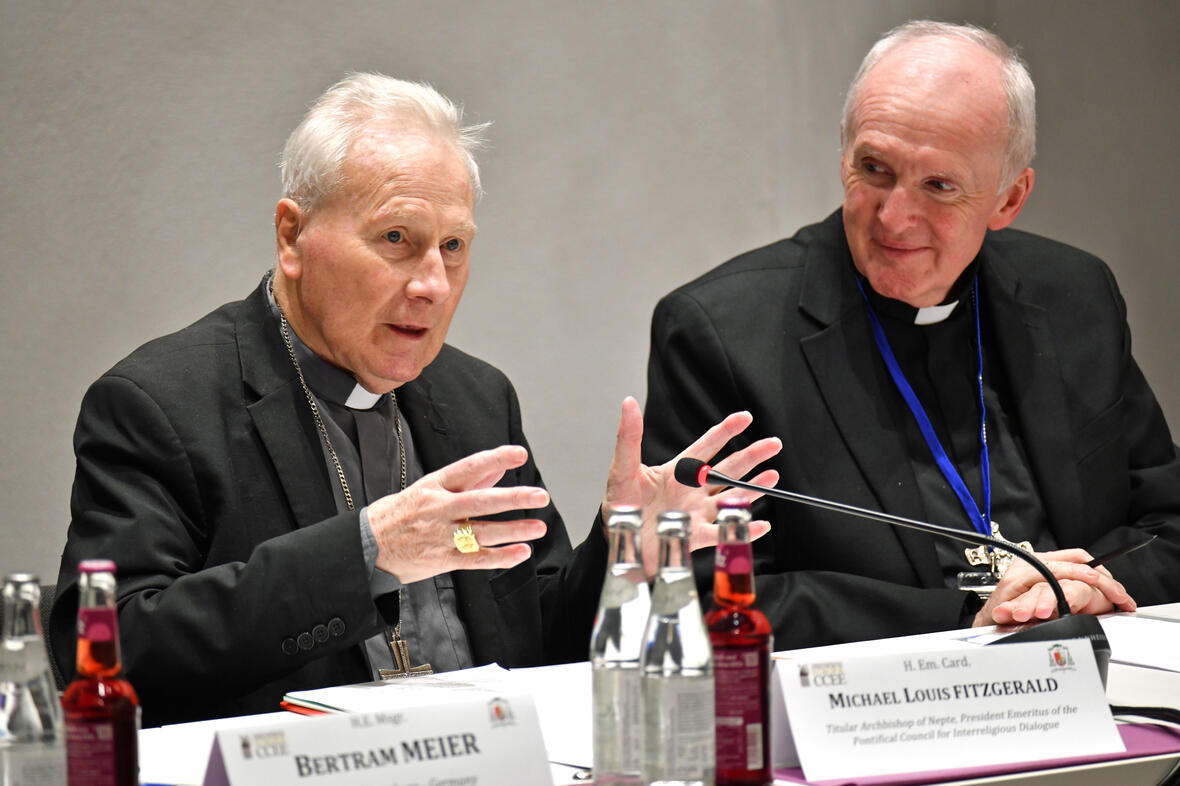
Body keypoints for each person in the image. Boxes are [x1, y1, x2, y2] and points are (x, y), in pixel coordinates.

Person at [51, 73, 781, 726]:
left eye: (454, 247)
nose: (432, 282)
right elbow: (111, 647)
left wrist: (628, 557)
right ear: (292, 236)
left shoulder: (474, 397)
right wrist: (366, 554)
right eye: (397, 237)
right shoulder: (160, 404)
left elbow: (540, 635)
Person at [643, 20, 1180, 648]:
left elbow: (1167, 524)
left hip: (1094, 688)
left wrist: (1089, 585)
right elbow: (704, 599)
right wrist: (963, 620)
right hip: (876, 715)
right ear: (842, 156)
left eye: (939, 186)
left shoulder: (1074, 297)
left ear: (1009, 199)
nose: (894, 217)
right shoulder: (723, 333)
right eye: (874, 169)